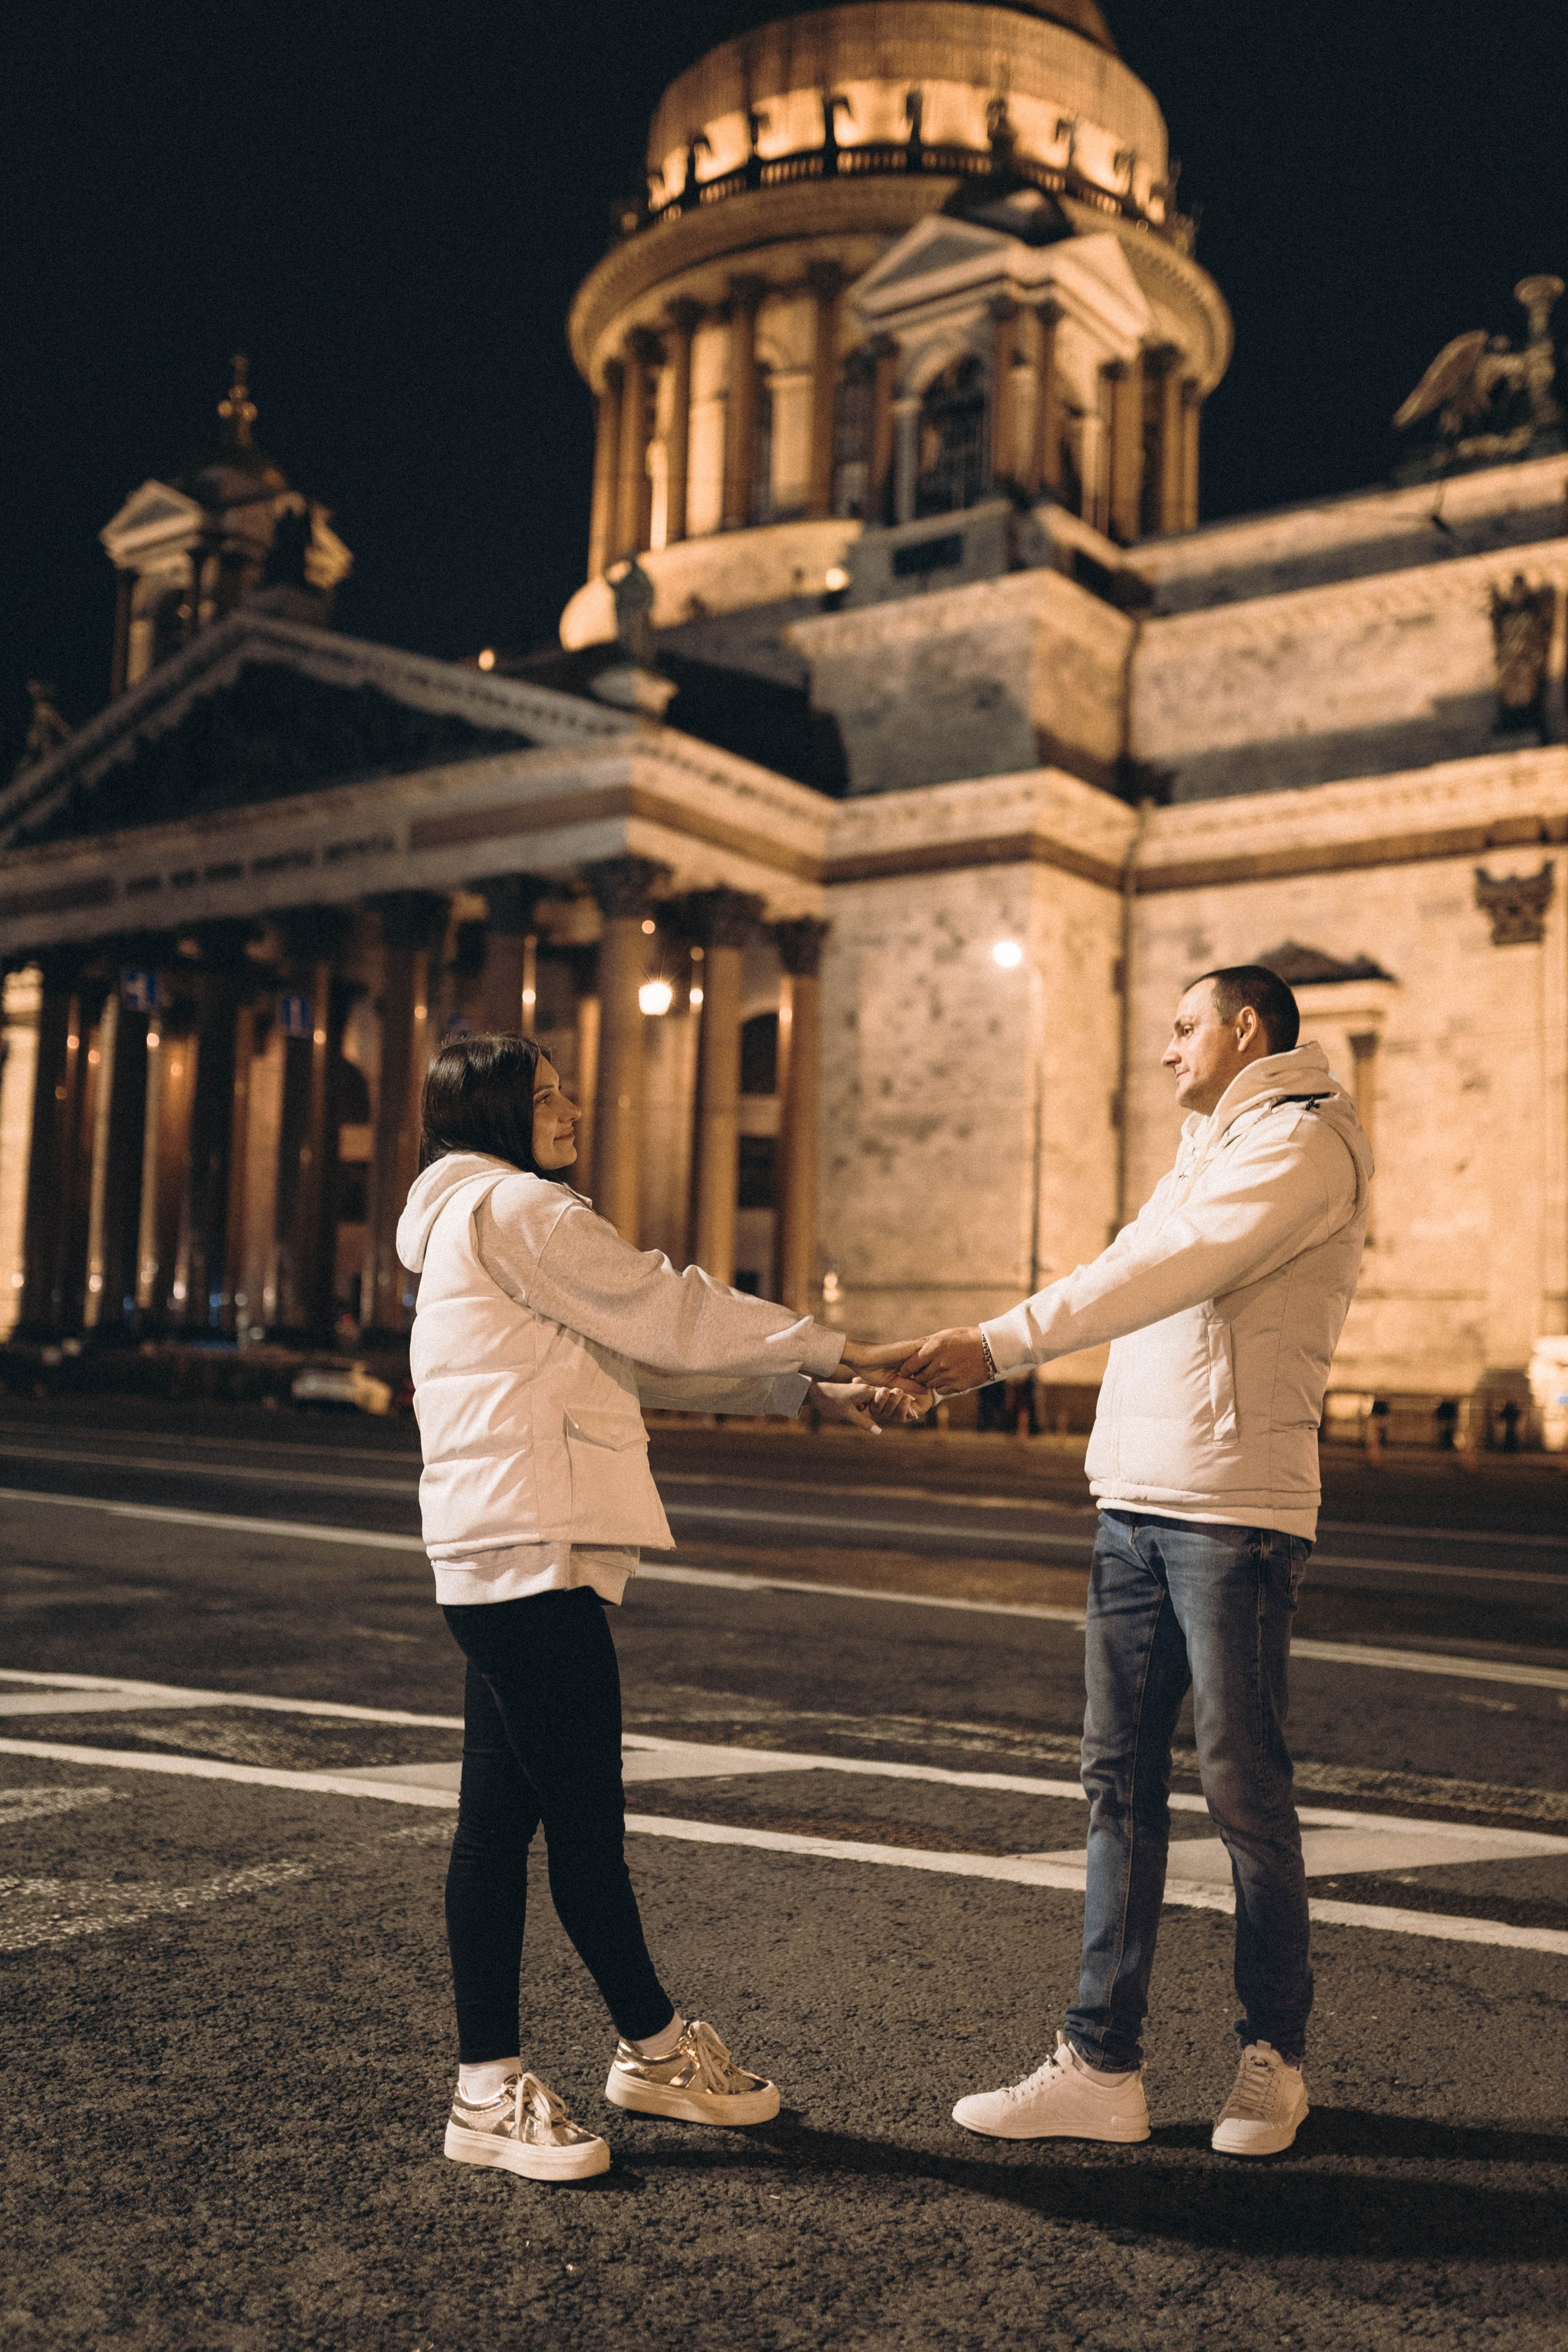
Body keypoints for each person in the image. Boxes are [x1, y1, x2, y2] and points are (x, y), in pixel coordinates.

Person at [397, 1030, 921, 2184]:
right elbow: (670, 1308)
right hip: (531, 1555)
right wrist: (845, 1351)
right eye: (541, 1096)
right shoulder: (523, 1212)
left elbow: (635, 1345)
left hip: (497, 1551)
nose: (569, 1105)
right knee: (585, 1837)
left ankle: (509, 2078)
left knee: (498, 1831)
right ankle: (642, 2052)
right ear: (491, 1116)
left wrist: (805, 1389)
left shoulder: (465, 1221)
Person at [900, 967, 1372, 2157]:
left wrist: (993, 1347)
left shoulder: (1300, 1143)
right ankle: (1099, 2065)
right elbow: (1119, 1266)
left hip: (1229, 1510)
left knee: (1241, 1792)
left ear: (1243, 1028)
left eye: (1180, 1028)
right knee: (1114, 1782)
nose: (1164, 1052)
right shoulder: (1204, 1146)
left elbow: (1170, 1272)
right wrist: (977, 1347)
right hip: (1136, 1502)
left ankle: (1273, 2056)